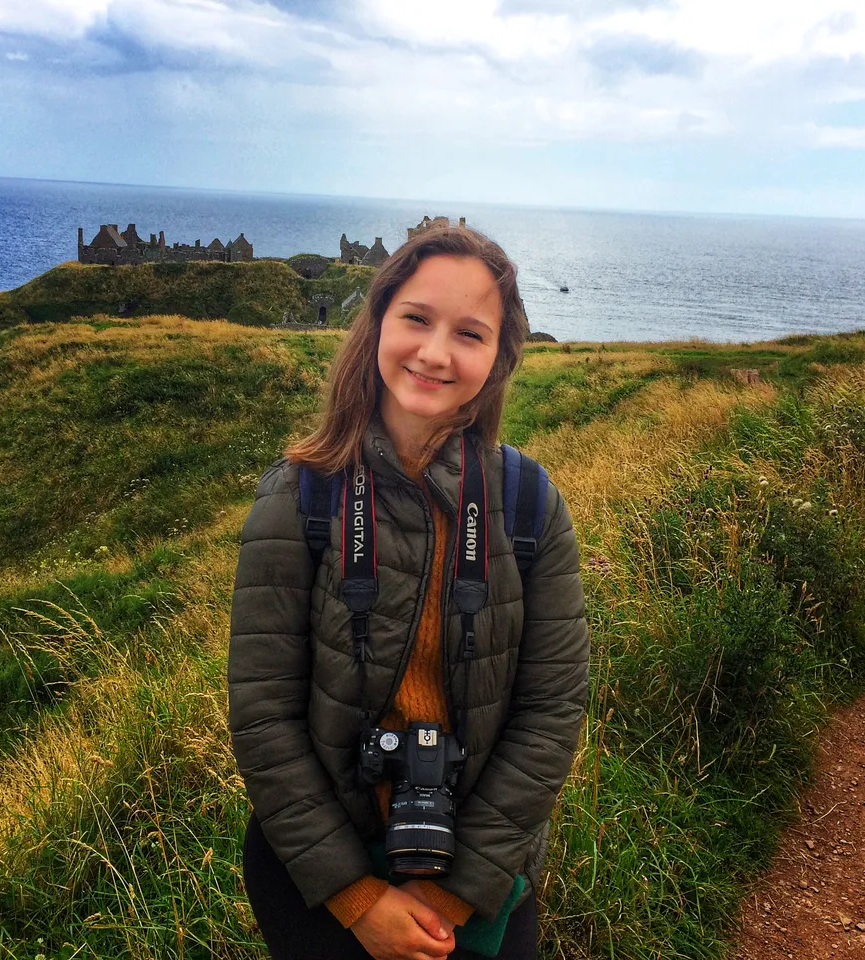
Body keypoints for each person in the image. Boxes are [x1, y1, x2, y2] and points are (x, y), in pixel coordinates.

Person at [228, 224, 589, 960]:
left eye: (470, 332)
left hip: (480, 879)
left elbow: (552, 712)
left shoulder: (528, 505)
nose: (434, 352)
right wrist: (359, 903)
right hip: (322, 880)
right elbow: (262, 716)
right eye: (416, 319)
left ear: (498, 357)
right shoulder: (299, 496)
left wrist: (451, 897)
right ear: (380, 322)